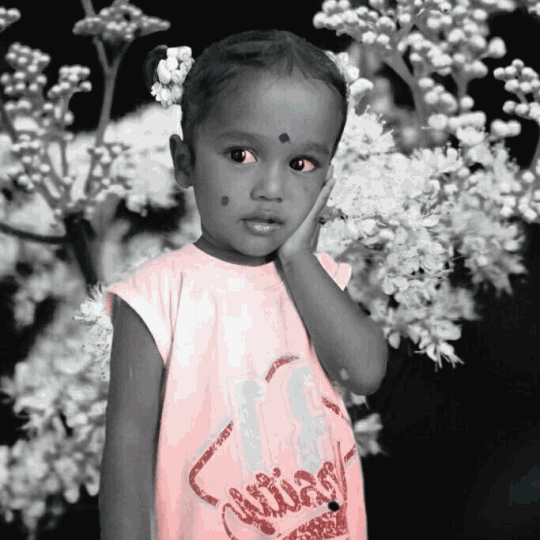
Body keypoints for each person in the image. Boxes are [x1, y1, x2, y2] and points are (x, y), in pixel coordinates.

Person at [99, 29, 388, 540]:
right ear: (185, 161)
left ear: (327, 177)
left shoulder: (313, 281)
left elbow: (364, 372)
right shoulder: (155, 296)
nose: (271, 189)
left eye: (301, 164)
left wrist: (299, 258)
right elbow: (127, 453)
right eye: (240, 156)